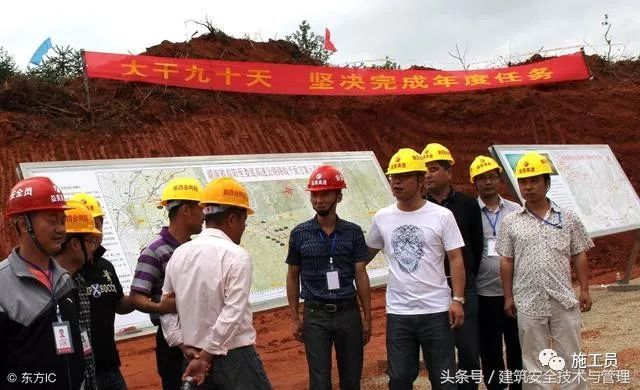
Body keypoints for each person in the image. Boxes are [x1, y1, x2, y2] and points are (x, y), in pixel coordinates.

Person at [366, 148, 466, 390]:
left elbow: (456, 259)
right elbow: (364, 255)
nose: (396, 182)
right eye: (393, 177)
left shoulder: (442, 216)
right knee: (399, 378)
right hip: (400, 312)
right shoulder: (382, 217)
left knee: (444, 380)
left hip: (436, 310)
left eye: (403, 177)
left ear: (420, 180)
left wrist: (457, 299)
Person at [160, 177, 272, 389]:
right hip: (235, 359)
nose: (243, 228)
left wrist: (182, 344)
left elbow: (166, 306)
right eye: (243, 222)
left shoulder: (179, 254)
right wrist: (207, 355)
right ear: (232, 219)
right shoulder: (237, 256)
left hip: (192, 355)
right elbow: (233, 313)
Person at [496, 152, 593, 390]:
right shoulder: (511, 221)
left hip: (563, 298)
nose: (528, 187)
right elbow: (506, 260)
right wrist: (508, 296)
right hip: (528, 300)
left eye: (534, 181)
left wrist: (585, 289)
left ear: (547, 183)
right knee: (534, 361)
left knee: (572, 358)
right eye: (523, 182)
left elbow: (579, 253)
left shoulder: (567, 218)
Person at [286, 165, 372, 390]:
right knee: (320, 382)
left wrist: (367, 317)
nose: (319, 200)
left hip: (348, 313)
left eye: (325, 194)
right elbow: (293, 276)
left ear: (339, 196)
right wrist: (295, 317)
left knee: (351, 380)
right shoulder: (299, 234)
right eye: (315, 194)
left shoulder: (353, 233)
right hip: (315, 316)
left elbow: (361, 274)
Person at [0, 177, 85, 389]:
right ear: (23, 224)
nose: (61, 229)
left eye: (62, 220)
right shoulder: (2, 284)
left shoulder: (65, 279)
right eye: (51, 220)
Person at [129, 176, 204, 390]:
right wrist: (160, 307)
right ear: (185, 210)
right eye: (200, 208)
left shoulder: (197, 249)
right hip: (170, 341)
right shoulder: (153, 251)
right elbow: (136, 297)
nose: (204, 215)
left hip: (200, 335)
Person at [423, 143, 483, 390]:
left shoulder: (468, 206)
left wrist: (465, 278)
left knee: (468, 351)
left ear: (449, 172)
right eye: (424, 169)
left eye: (434, 168)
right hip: (431, 288)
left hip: (463, 288)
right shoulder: (418, 207)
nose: (427, 174)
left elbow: (476, 247)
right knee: (437, 354)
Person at [469, 156, 522, 390]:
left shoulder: (516, 210)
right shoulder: (470, 212)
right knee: (489, 349)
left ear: (499, 180)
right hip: (483, 291)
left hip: (515, 290)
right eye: (482, 178)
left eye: (492, 177)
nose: (488, 182)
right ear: (475, 183)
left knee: (517, 346)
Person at [73, 192, 134, 390]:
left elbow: (118, 304)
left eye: (98, 224)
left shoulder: (105, 266)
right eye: (89, 224)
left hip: (110, 366)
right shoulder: (68, 269)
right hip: (80, 371)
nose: (95, 231)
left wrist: (141, 297)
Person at [55, 201, 103, 390]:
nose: (94, 247)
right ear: (75, 244)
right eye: (91, 241)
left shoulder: (80, 282)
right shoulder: (46, 288)